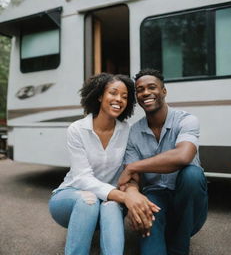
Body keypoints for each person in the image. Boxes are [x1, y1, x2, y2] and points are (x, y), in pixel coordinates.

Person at [49, 73, 159, 255]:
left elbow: (130, 170)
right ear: (100, 96)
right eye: (113, 93)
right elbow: (82, 178)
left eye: (124, 97)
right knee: (88, 201)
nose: (119, 100)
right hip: (70, 198)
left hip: (110, 198)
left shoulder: (126, 131)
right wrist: (125, 198)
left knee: (111, 206)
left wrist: (130, 193)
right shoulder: (77, 130)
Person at [118, 69, 208, 255]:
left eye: (152, 87)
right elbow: (132, 179)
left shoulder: (186, 120)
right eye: (140, 90)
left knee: (192, 174)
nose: (146, 93)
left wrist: (134, 166)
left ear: (164, 91)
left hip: (187, 205)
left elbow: (183, 156)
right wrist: (133, 195)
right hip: (155, 201)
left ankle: (178, 247)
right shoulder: (134, 132)